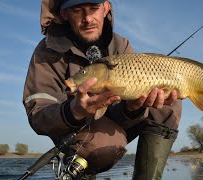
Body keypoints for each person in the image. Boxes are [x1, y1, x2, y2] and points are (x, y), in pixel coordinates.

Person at [23, 0, 182, 179]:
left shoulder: (120, 44)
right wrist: (73, 111)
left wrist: (133, 108)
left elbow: (127, 107)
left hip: (115, 118)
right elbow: (37, 114)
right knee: (102, 144)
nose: (88, 18)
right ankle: (80, 170)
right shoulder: (46, 51)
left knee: (168, 104)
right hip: (74, 129)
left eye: (93, 8)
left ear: (105, 8)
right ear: (64, 14)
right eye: (77, 10)